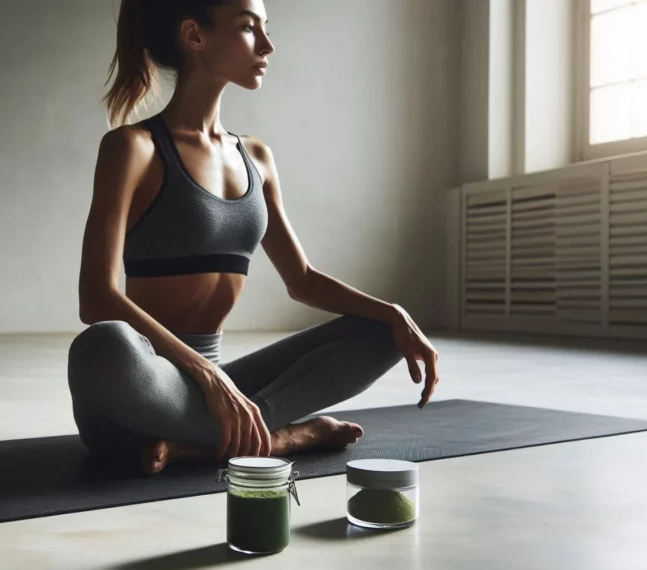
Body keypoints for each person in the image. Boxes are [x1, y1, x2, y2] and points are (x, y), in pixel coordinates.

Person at [69, 0, 439, 475]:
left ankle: (201, 443)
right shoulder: (133, 148)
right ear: (194, 36)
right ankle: (284, 438)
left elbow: (301, 279)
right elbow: (95, 297)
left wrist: (395, 313)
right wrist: (206, 376)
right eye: (248, 28)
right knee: (101, 347)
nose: (267, 45)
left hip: (222, 388)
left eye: (266, 29)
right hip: (144, 386)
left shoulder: (257, 158)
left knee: (382, 331)